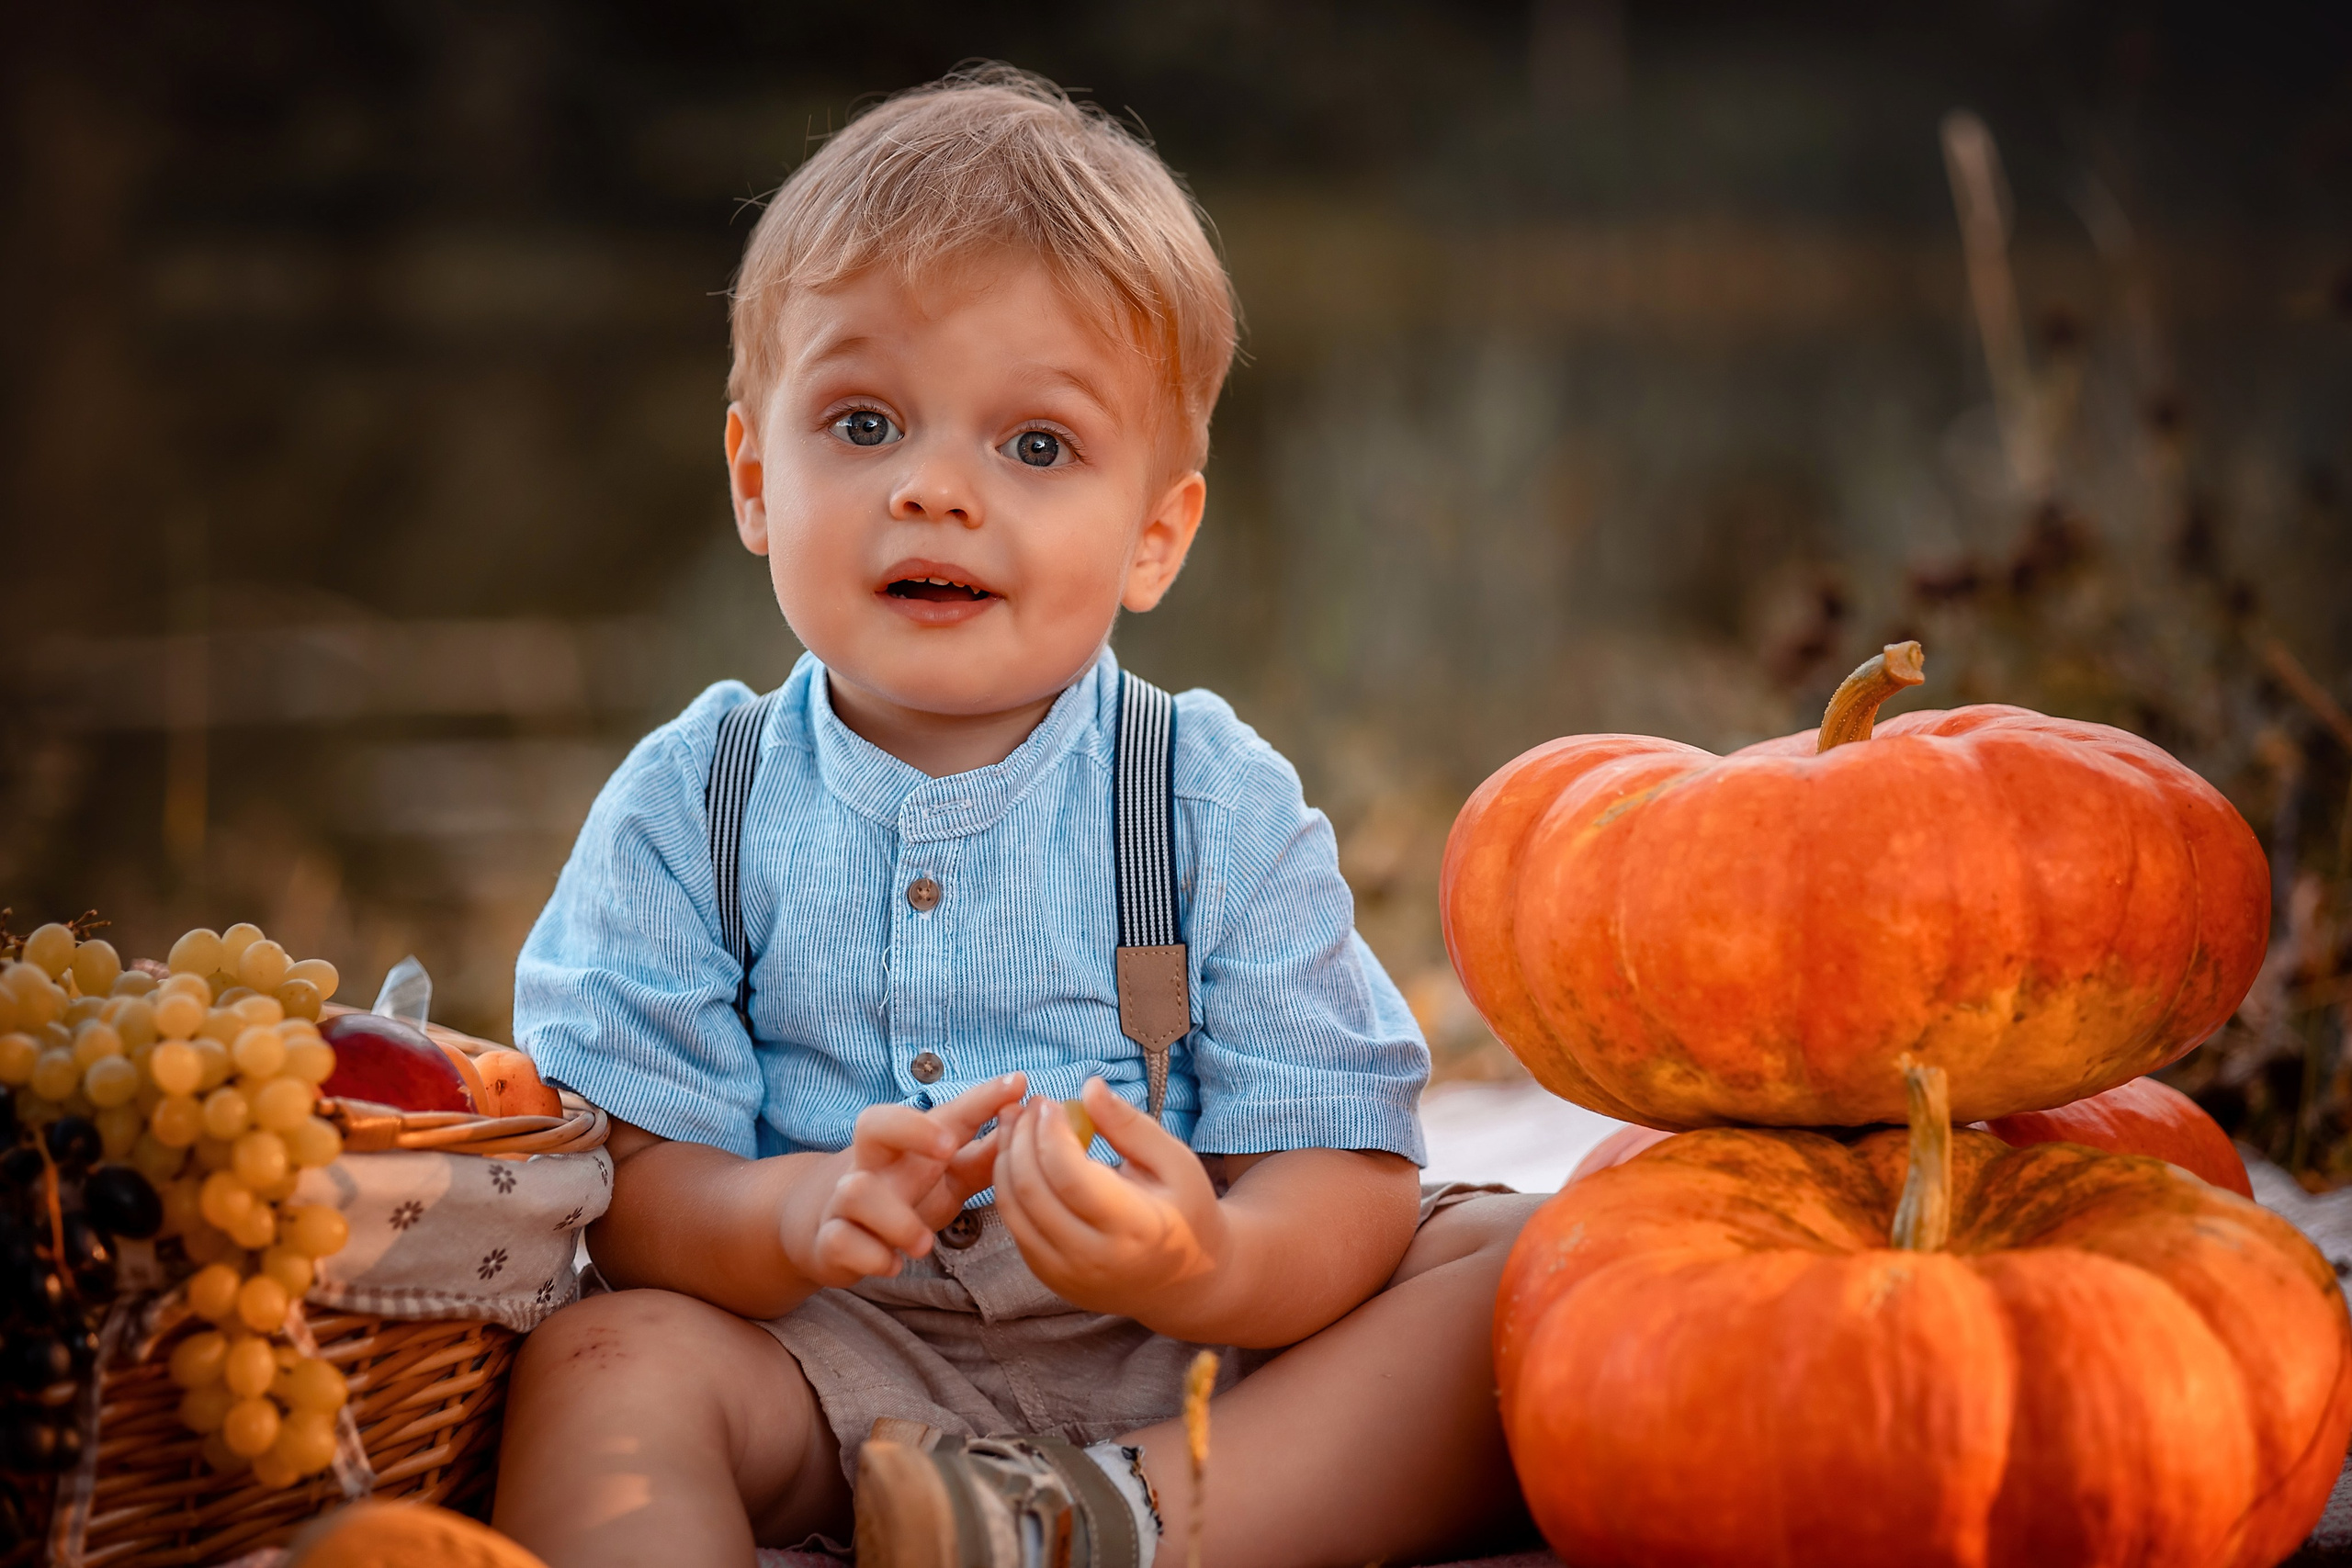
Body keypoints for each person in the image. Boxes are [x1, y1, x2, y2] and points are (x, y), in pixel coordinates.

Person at [487, 66, 1543, 1568]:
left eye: (1034, 448)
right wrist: (792, 1214)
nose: (934, 490)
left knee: (1534, 1272)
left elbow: (1347, 1160)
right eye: (861, 424)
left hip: (1188, 1380)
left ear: (1154, 534)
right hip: (825, 1361)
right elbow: (632, 1182)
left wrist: (1215, 1260)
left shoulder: (1202, 797)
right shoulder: (694, 802)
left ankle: (1104, 1524)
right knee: (606, 1367)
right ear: (752, 478)